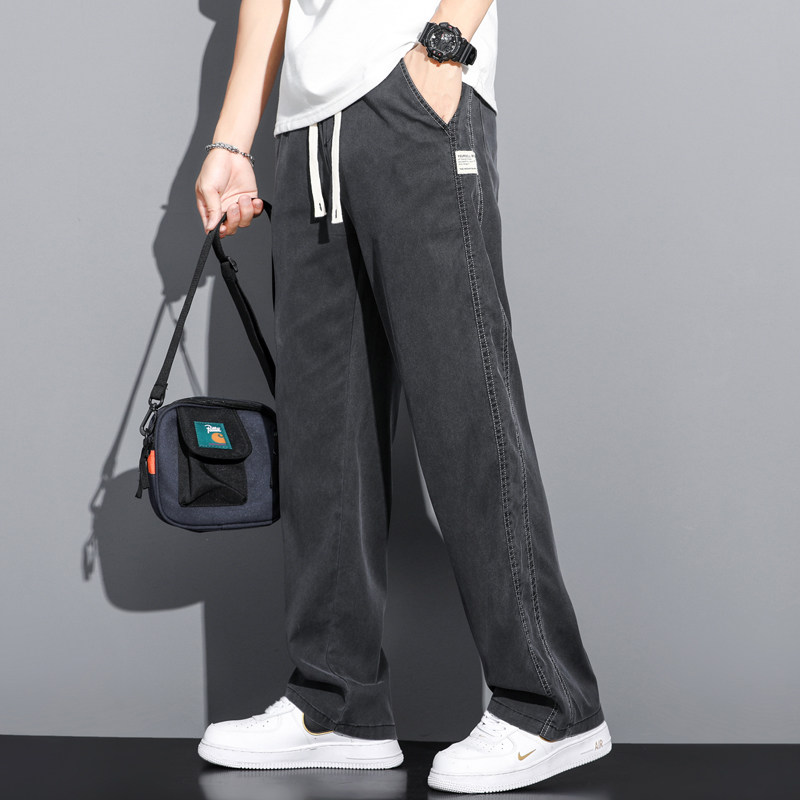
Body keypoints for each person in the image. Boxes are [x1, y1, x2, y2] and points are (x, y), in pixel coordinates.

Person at [193, 0, 611, 793]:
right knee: (324, 428)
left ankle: (551, 703)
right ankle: (335, 703)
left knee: (465, 408)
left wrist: (443, 48)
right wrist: (231, 141)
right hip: (306, 131)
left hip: (412, 96)